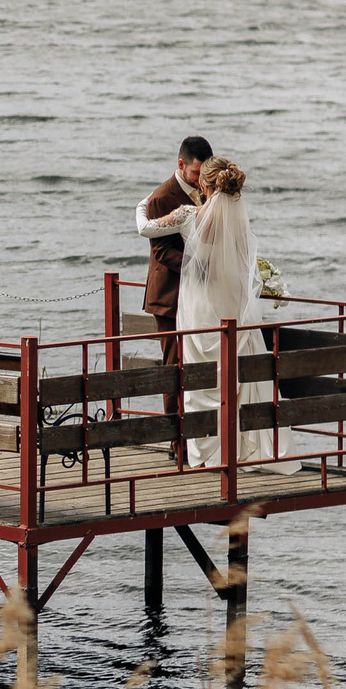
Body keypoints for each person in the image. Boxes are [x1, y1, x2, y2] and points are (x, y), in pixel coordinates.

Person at [162, 157, 280, 470]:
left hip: (202, 302)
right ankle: (241, 448)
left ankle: (205, 451)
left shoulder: (194, 215)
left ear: (205, 183)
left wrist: (142, 207)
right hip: (231, 299)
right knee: (236, 367)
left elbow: (147, 228)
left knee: (201, 371)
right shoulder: (239, 217)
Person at [134, 136, 213, 342]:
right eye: (196, 173)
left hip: (199, 294)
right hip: (170, 294)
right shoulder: (161, 198)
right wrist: (201, 268)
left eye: (205, 174)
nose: (201, 180)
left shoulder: (207, 190)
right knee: (174, 356)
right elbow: (162, 252)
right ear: (181, 164)